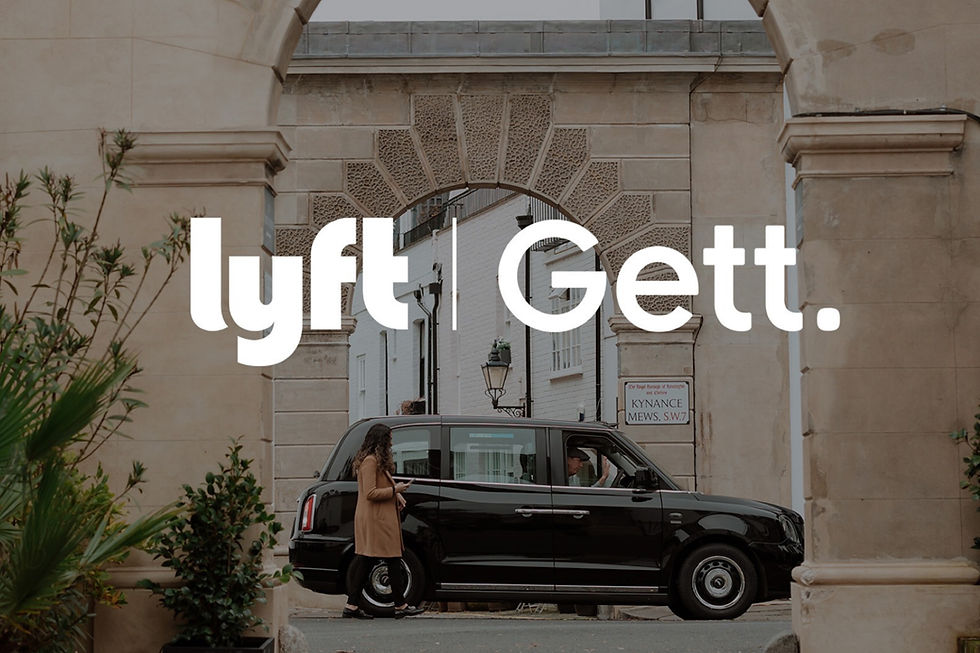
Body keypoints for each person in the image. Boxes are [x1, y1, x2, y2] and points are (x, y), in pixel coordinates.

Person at [343, 423, 425, 619]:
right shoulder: (370, 462)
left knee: (372, 560)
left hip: (378, 518)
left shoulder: (375, 461)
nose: (391, 443)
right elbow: (370, 493)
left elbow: (380, 486)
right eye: (389, 439)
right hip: (376, 520)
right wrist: (396, 490)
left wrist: (397, 495)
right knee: (388, 559)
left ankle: (352, 606)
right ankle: (399, 606)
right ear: (380, 441)